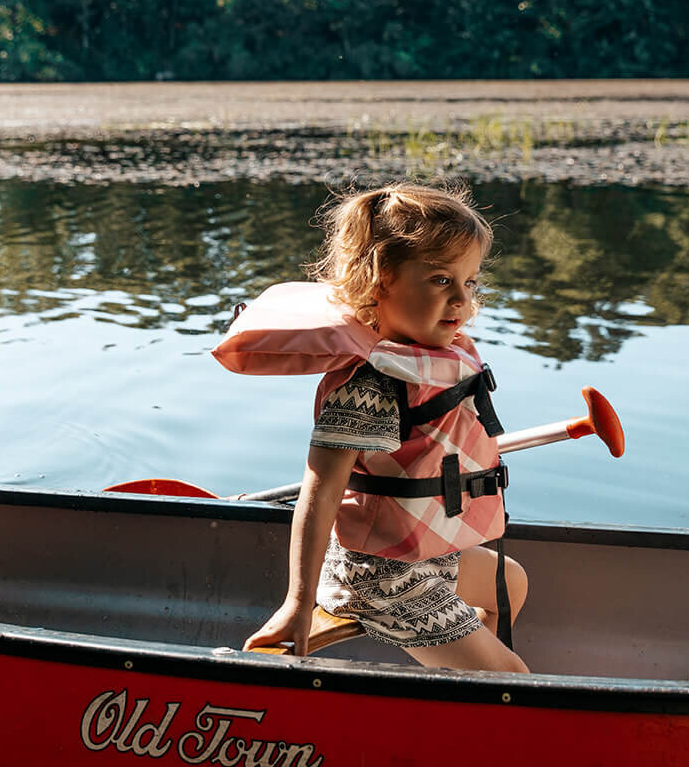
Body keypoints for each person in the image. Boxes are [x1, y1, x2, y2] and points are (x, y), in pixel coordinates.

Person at [219, 182, 529, 671]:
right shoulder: (371, 387)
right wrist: (297, 605)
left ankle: (464, 681)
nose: (461, 301)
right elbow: (319, 497)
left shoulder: (423, 362)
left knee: (509, 581)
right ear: (381, 280)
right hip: (377, 579)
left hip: (417, 557)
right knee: (515, 679)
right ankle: (483, 681)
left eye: (468, 283)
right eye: (440, 280)